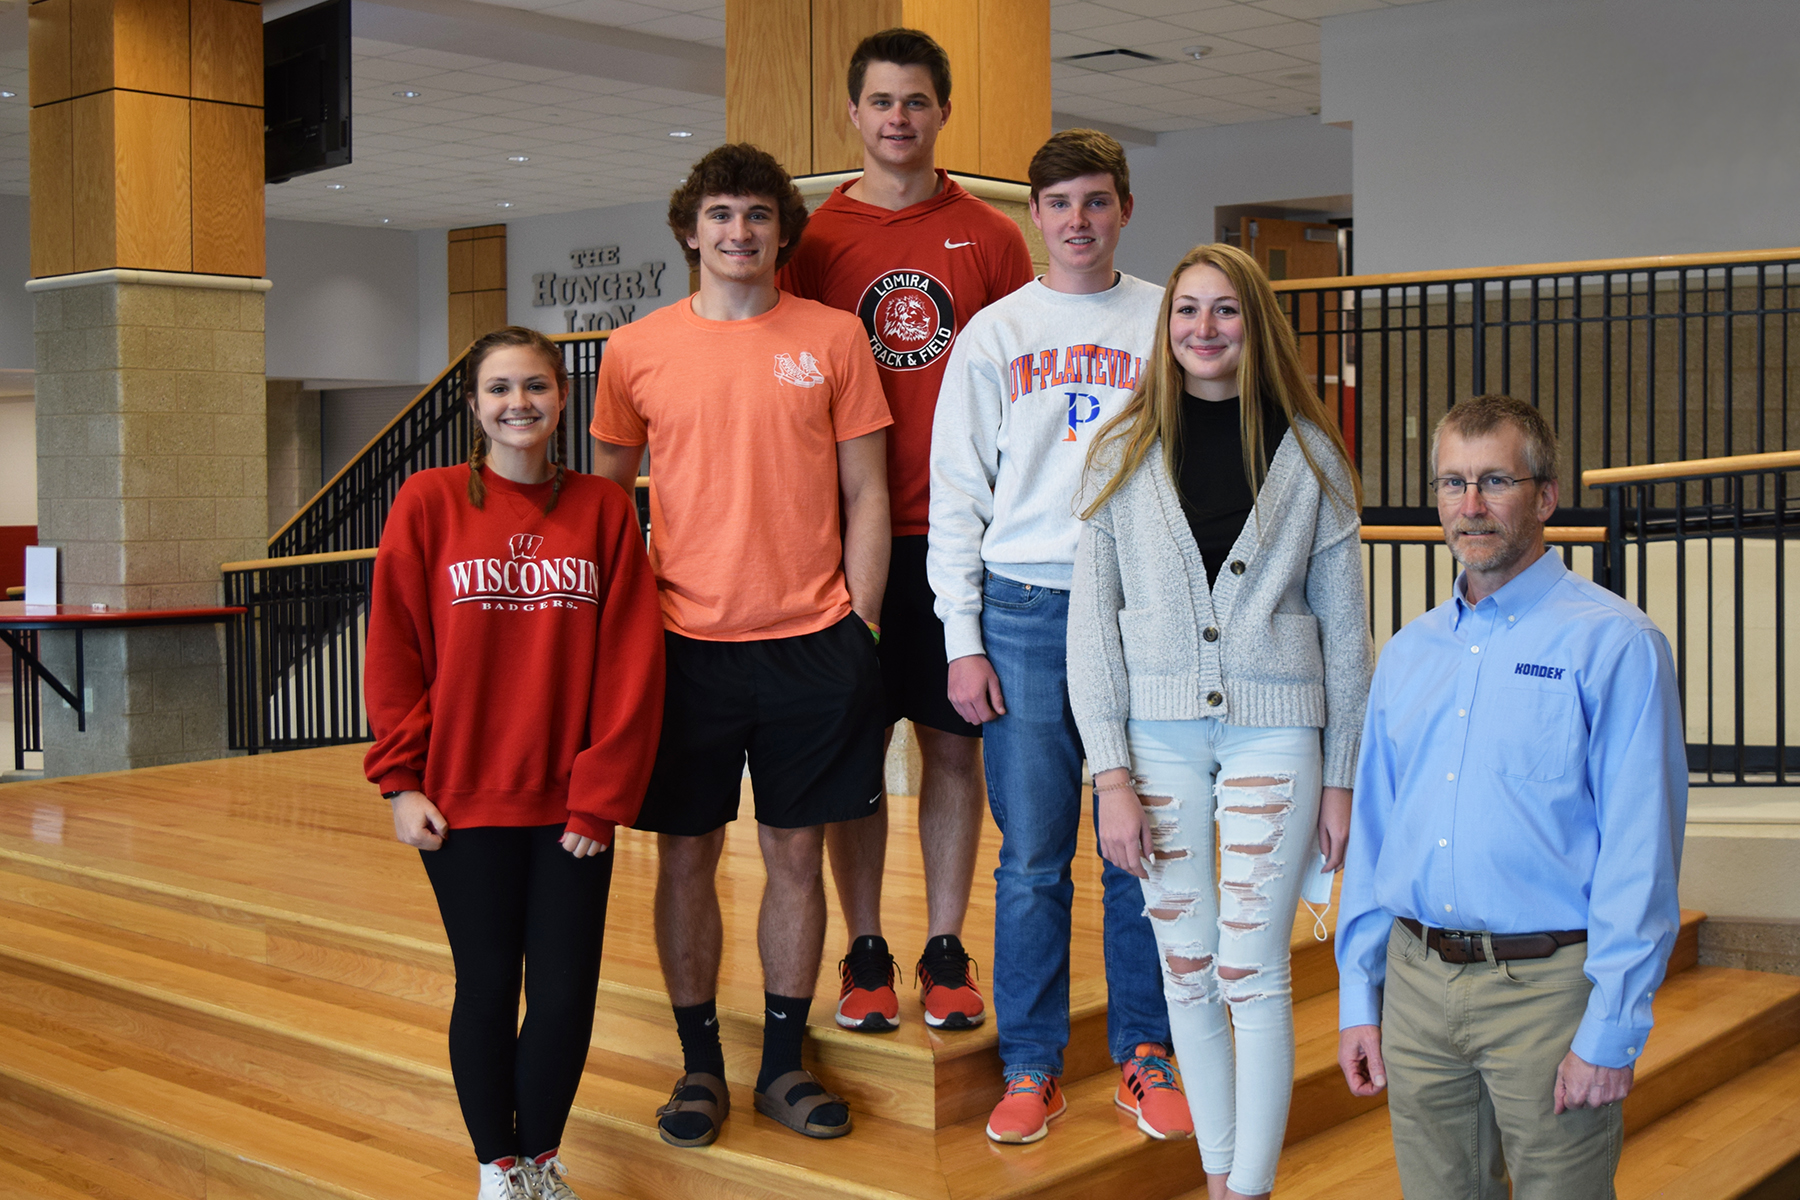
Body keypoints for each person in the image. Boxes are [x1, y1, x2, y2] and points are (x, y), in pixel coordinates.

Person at [589, 143, 892, 1147]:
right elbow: (604, 508)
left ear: (781, 232)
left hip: (816, 641)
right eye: (721, 215)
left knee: (795, 857)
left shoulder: (836, 338)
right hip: (683, 646)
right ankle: (700, 1067)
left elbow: (867, 493)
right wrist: (621, 635)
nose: (739, 233)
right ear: (689, 229)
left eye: (758, 216)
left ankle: (781, 1064)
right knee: (686, 860)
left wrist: (864, 624)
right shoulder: (636, 350)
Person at [1067, 242, 1372, 1200]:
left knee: (1252, 970)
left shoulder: (1311, 453)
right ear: (1166, 329)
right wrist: (1109, 775)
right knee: (1188, 969)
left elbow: (1348, 636)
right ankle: (1218, 1178)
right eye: (1188, 310)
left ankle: (1252, 1189)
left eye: (1227, 311)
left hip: (1276, 735)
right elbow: (1092, 632)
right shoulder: (1121, 449)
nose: (1205, 328)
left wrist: (1341, 778)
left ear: (1257, 326)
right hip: (1154, 742)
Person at [1336, 394, 1687, 1200]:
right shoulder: (1408, 654)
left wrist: (1613, 1028)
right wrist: (1361, 996)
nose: (1471, 505)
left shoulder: (1616, 645)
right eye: (1452, 483)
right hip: (1418, 990)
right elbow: (1376, 836)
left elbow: (1643, 856)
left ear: (1546, 496)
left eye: (1495, 480)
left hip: (1550, 995)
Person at [927, 129, 1190, 1145]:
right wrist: (962, 635)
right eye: (1059, 203)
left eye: (1095, 200)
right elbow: (957, 496)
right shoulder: (994, 334)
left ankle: (1143, 1052)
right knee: (1034, 857)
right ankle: (1031, 1066)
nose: (1077, 220)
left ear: (1123, 208)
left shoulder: (1170, 315)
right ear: (1033, 217)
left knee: (1143, 848)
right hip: (1026, 611)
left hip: (1144, 611)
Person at [364, 326, 666, 1200]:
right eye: (499, 389)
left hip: (571, 806)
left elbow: (631, 663)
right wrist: (401, 780)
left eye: (535, 386)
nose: (518, 404)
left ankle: (540, 1157)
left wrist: (600, 797)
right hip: (462, 800)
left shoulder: (605, 510)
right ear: (473, 406)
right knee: (489, 985)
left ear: (562, 398)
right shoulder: (427, 502)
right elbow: (395, 649)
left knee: (567, 994)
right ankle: (497, 1168)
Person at [779, 27, 1034, 1034]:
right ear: (853, 113)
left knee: (952, 752)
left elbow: (1023, 383)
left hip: (961, 542)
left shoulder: (991, 235)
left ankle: (942, 942)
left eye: (915, 102)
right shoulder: (814, 240)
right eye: (881, 102)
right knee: (855, 756)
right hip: (843, 540)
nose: (897, 119)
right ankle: (868, 947)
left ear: (942, 111)